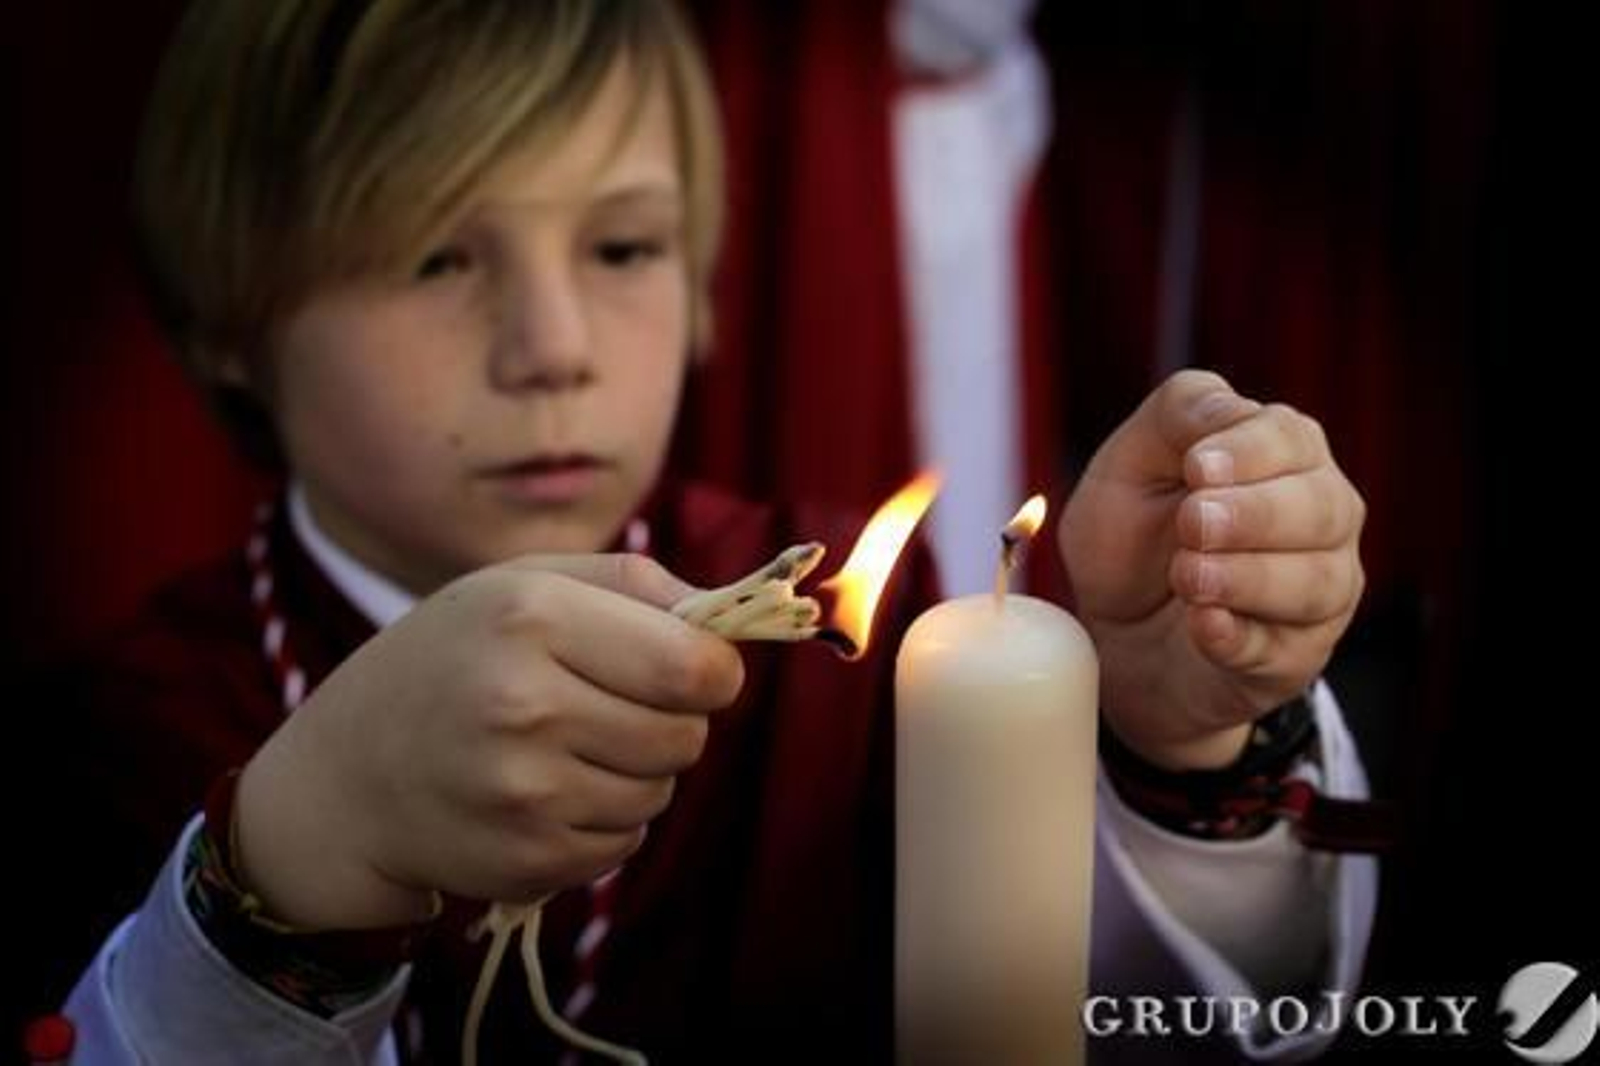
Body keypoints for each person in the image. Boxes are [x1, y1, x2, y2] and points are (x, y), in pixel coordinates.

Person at [13, 0, 1376, 1062]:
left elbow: (1150, 1013)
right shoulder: (121, 729)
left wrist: (1179, 742)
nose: (552, 351)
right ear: (231, 325)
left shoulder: (866, 651)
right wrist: (297, 856)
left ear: (709, 285)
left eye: (623, 250)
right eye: (433, 257)